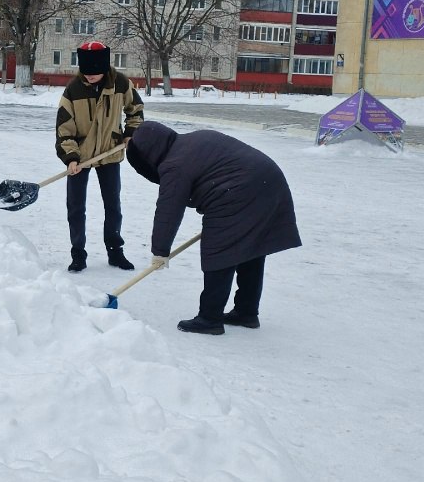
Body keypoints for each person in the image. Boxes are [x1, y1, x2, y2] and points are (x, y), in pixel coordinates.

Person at [126, 120, 301, 335]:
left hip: (238, 192)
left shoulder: (174, 164)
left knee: (218, 251)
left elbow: (168, 210)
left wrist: (160, 251)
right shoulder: (192, 139)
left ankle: (209, 318)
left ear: (147, 157)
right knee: (252, 249)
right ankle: (246, 311)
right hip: (269, 181)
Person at [56, 41, 144, 272]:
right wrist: (71, 157)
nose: (91, 76)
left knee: (112, 205)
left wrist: (130, 134)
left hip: (109, 153)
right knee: (76, 207)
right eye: (86, 72)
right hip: (80, 156)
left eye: (95, 72)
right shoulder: (73, 89)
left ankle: (115, 252)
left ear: (105, 67)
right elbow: (64, 129)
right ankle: (78, 254)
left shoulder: (121, 84)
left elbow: (135, 111)